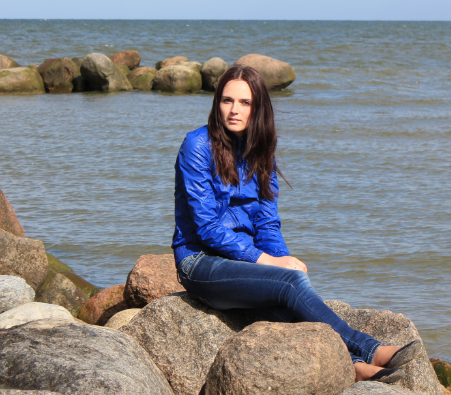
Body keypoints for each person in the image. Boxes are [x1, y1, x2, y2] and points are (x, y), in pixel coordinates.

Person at [172, 64, 421, 383]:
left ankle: (354, 367)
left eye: (245, 102)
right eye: (227, 100)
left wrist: (282, 261)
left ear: (257, 109)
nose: (234, 110)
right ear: (216, 103)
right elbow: (207, 228)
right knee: (289, 284)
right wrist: (271, 264)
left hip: (242, 265)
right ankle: (369, 349)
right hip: (200, 262)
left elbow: (267, 225)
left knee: (289, 299)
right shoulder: (197, 145)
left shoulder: (262, 153)